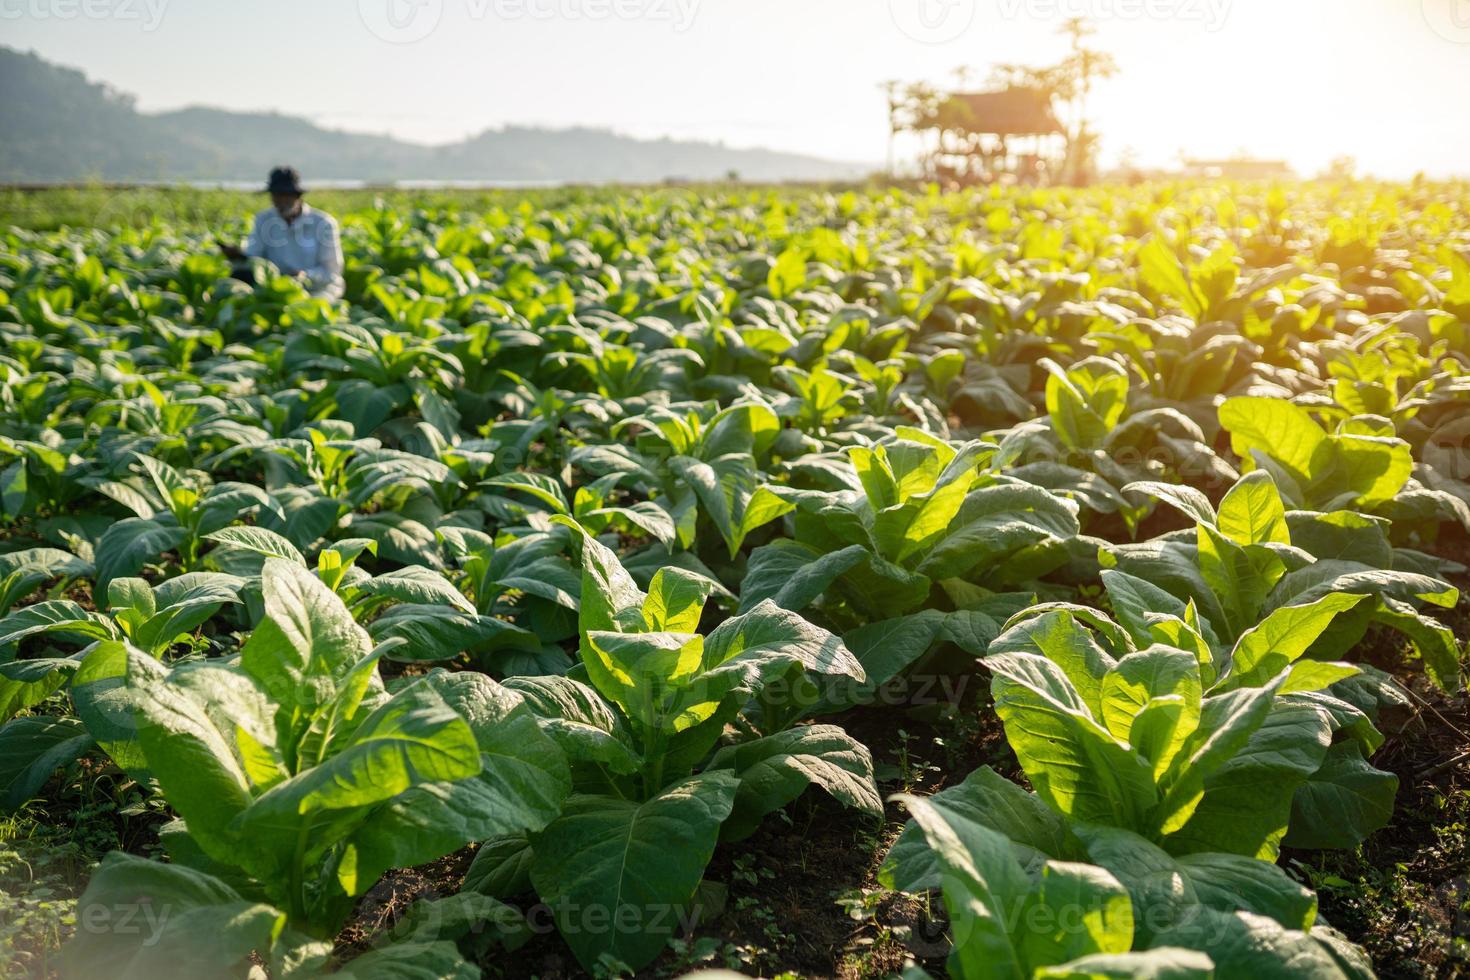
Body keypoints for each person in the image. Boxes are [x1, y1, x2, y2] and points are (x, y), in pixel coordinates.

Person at [218, 167, 345, 301]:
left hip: (317, 290)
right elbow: (255, 259)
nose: (281, 201)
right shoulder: (263, 220)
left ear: (297, 196)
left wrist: (305, 275)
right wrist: (238, 257)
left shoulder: (323, 223)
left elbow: (332, 272)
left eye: (286, 195)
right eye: (277, 195)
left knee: (310, 308)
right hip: (277, 290)